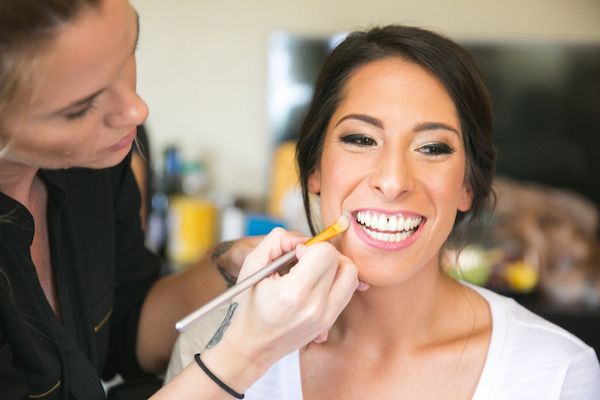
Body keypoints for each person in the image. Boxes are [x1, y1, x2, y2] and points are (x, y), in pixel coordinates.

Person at [166, 25, 600, 399]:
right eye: (360, 140)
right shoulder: (217, 350)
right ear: (313, 168)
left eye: (432, 148)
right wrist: (243, 355)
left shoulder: (556, 373)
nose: (393, 181)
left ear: (468, 185)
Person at [0, 0, 361, 398]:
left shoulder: (93, 166)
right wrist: (247, 354)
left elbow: (127, 328)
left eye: (128, 53)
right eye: (81, 107)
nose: (136, 110)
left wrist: (228, 267)